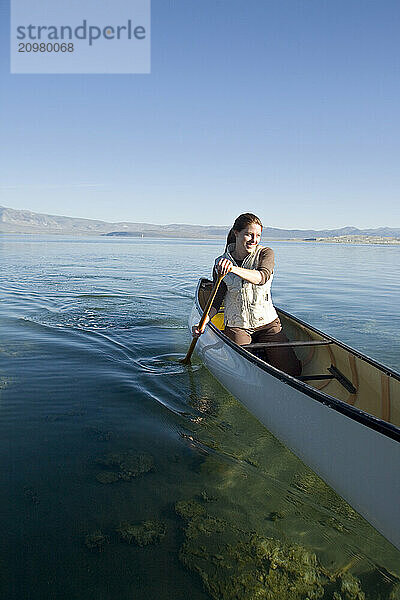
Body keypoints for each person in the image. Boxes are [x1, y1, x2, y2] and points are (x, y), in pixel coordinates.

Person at [193, 213, 301, 376]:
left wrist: (233, 269)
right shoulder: (220, 263)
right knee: (246, 370)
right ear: (236, 233)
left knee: (293, 371)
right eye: (249, 234)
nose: (254, 239)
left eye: (258, 235)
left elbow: (261, 277)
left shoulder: (266, 253)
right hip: (238, 325)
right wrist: (203, 322)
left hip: (268, 324)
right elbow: (216, 299)